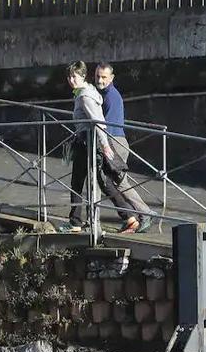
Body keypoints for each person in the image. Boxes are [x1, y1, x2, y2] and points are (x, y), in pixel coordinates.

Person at [65, 61, 146, 235]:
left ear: (83, 77)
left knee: (101, 182)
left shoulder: (86, 96)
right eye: (69, 76)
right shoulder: (89, 93)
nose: (71, 80)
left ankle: (137, 215)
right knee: (102, 182)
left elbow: (99, 122)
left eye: (75, 76)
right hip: (89, 141)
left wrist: (105, 145)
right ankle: (123, 217)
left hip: (92, 142)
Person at [95, 62, 153, 233]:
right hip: (113, 141)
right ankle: (132, 217)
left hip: (115, 142)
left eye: (104, 77)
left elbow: (106, 125)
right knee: (113, 181)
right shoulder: (103, 94)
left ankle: (145, 213)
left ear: (111, 78)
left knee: (119, 182)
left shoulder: (111, 96)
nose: (100, 80)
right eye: (98, 76)